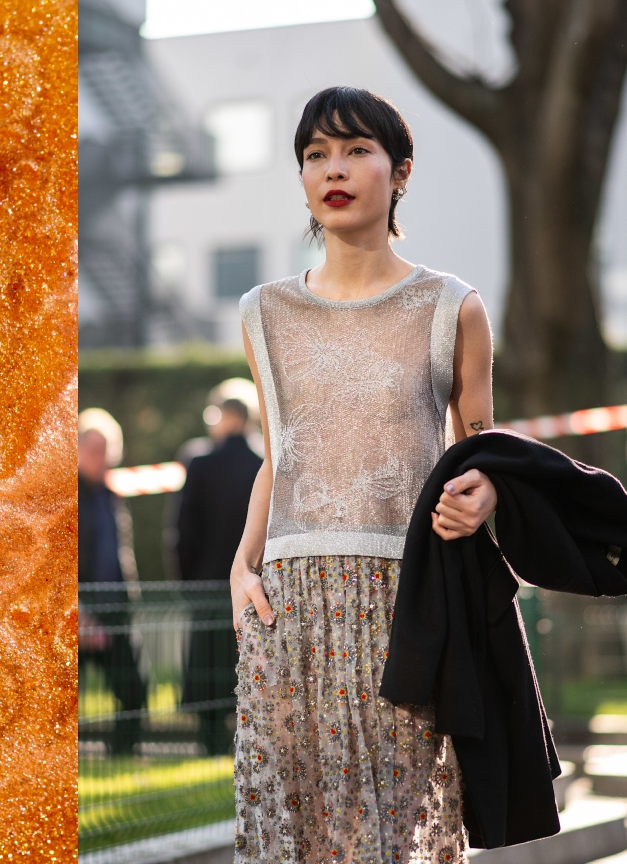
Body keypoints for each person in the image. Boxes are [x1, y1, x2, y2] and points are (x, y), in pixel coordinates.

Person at [230, 86, 500, 863]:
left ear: (400, 171)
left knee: (391, 835)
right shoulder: (263, 312)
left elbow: (478, 449)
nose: (332, 168)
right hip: (287, 606)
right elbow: (281, 453)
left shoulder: (453, 307)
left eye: (355, 150)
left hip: (406, 600)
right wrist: (242, 568)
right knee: (294, 829)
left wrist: (482, 494)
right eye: (315, 154)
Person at [176, 397, 263, 756]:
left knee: (207, 662)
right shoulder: (260, 466)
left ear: (225, 418)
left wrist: (186, 581)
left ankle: (208, 740)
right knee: (241, 657)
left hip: (207, 583)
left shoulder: (201, 464)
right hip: (251, 583)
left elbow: (184, 529)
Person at [78, 408, 148, 756]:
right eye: (92, 450)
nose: (100, 458)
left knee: (134, 689)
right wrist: (78, 614)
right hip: (78, 612)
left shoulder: (110, 493)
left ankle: (120, 755)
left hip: (115, 608)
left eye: (105, 450)